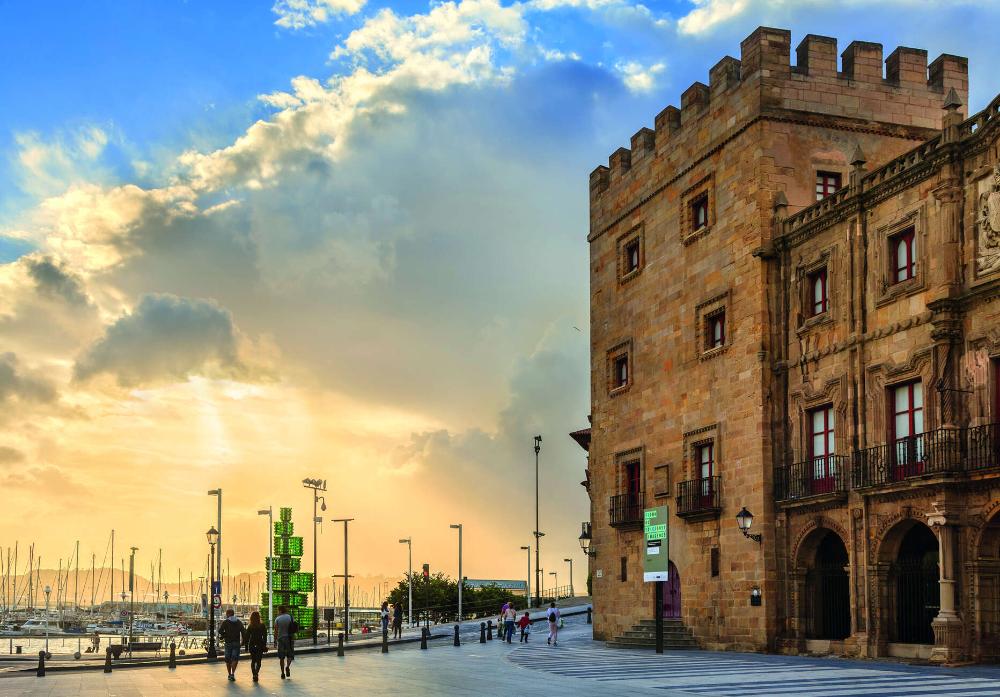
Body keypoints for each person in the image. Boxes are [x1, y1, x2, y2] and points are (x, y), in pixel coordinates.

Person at [218, 608, 247, 682]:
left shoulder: (225, 622)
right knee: (235, 659)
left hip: (228, 642)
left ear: (228, 614)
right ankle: (232, 674)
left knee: (228, 659)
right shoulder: (239, 622)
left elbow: (220, 631)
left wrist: (225, 635)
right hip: (236, 643)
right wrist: (243, 642)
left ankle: (229, 674)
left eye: (226, 614)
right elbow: (243, 632)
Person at [245, 611, 267, 683]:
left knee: (253, 660)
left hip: (252, 644)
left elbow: (247, 637)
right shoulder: (262, 625)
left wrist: (246, 646)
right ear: (258, 617)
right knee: (259, 661)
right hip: (260, 644)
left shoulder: (250, 626)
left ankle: (254, 673)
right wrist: (264, 645)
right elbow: (265, 636)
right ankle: (256, 673)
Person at [273, 605, 294, 680]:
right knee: (290, 655)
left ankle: (282, 673)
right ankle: (287, 666)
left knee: (281, 657)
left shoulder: (277, 619)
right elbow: (294, 626)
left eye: (278, 610)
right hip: (289, 638)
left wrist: (275, 641)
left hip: (280, 639)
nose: (277, 612)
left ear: (280, 610)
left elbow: (275, 631)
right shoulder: (290, 617)